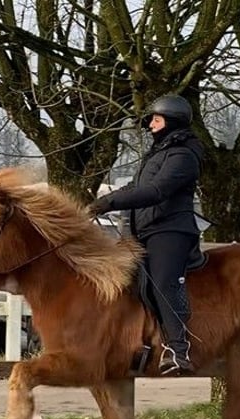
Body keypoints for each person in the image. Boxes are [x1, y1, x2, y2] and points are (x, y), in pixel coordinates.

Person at [88, 94, 203, 376]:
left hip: (170, 231)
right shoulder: (158, 154)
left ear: (170, 122)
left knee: (163, 283)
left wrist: (112, 203)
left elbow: (156, 192)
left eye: (156, 119)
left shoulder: (183, 156)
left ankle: (178, 351)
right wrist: (102, 201)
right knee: (127, 284)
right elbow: (135, 188)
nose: (150, 124)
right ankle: (140, 344)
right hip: (145, 231)